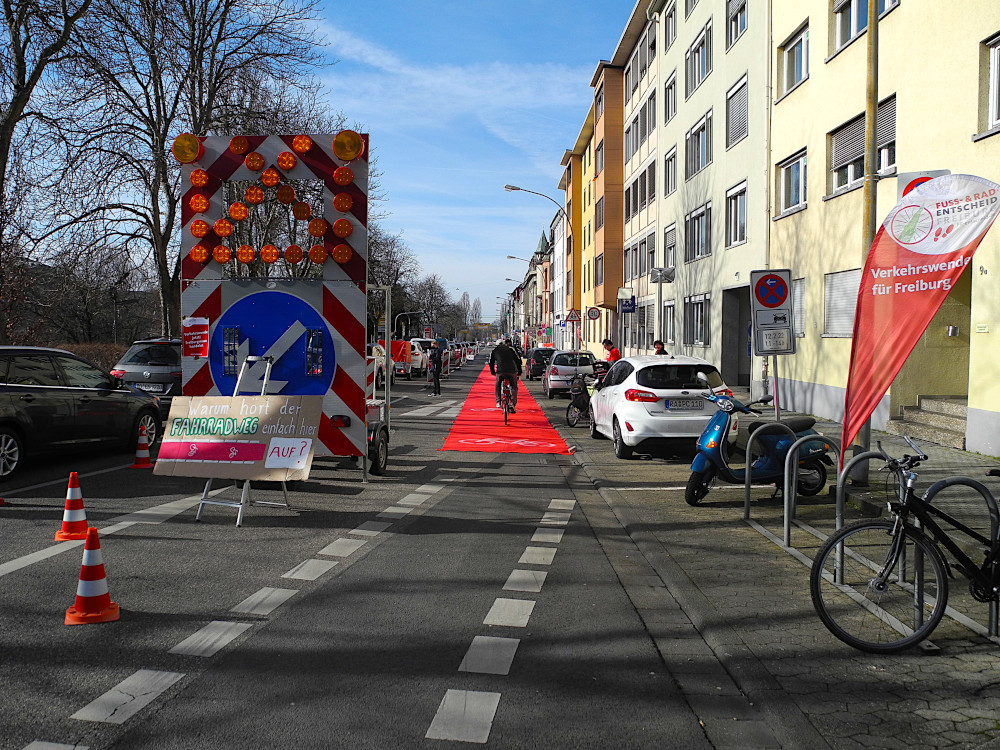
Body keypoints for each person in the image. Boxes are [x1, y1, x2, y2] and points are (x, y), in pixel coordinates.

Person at [489, 337, 522, 413]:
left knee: (498, 383)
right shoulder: (510, 350)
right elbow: (517, 361)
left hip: (500, 372)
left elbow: (491, 362)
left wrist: (493, 372)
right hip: (511, 371)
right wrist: (519, 371)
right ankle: (513, 403)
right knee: (514, 386)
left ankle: (498, 401)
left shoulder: (495, 351)